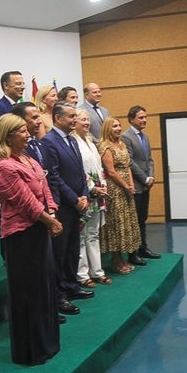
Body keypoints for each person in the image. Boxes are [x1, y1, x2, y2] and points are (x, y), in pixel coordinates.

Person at [0, 114, 63, 365]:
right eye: (22, 130)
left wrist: (52, 210)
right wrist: (49, 220)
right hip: (21, 235)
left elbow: (44, 191)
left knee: (43, 288)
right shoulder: (4, 167)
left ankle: (48, 343)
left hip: (39, 230)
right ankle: (31, 351)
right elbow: (25, 202)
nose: (28, 133)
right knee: (28, 293)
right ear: (8, 136)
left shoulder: (29, 159)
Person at [42, 102, 94, 316]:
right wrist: (74, 199)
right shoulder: (49, 142)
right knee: (60, 252)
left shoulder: (72, 140)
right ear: (57, 118)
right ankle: (59, 294)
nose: (75, 119)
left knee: (73, 248)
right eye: (71, 116)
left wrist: (83, 194)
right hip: (63, 205)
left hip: (76, 203)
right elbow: (54, 176)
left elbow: (80, 172)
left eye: (76, 116)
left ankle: (72, 286)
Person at [98, 116, 142, 274]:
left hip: (126, 189)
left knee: (125, 222)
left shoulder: (122, 143)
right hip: (115, 189)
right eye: (114, 126)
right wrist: (124, 186)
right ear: (107, 128)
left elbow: (127, 166)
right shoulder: (105, 146)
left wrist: (130, 184)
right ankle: (115, 260)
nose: (117, 128)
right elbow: (111, 171)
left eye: (119, 125)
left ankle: (122, 259)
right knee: (116, 224)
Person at [73, 109, 112, 287]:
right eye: (83, 120)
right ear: (75, 122)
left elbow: (98, 168)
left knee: (94, 234)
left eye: (88, 120)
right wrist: (92, 189)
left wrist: (102, 187)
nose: (87, 123)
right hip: (85, 194)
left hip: (98, 194)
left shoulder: (90, 141)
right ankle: (82, 274)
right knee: (81, 235)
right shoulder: (73, 142)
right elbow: (78, 171)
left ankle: (97, 271)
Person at [121, 105, 160, 265]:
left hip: (145, 184)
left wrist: (151, 176)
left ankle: (143, 247)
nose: (144, 120)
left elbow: (149, 159)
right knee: (134, 219)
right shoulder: (126, 137)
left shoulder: (145, 137)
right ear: (131, 119)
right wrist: (144, 178)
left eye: (145, 117)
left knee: (142, 218)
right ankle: (133, 253)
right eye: (140, 117)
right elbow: (129, 161)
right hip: (135, 184)